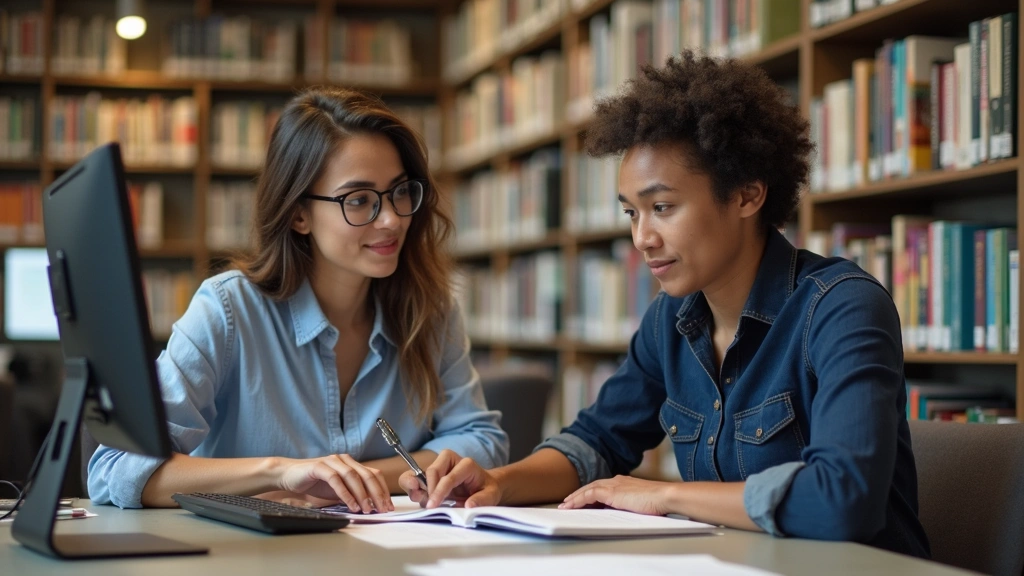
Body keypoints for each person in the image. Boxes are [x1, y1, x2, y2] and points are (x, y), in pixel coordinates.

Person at [401, 51, 931, 558]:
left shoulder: (841, 306)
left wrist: (665, 495)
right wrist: (497, 482)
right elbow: (597, 441)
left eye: (662, 207)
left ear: (747, 195)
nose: (642, 238)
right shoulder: (670, 320)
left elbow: (844, 499)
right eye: (631, 213)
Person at [88, 86, 509, 513]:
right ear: (298, 214)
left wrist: (344, 482)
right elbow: (117, 467)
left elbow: (481, 441)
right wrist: (280, 472)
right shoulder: (229, 310)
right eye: (359, 200)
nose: (391, 219)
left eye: (400, 192)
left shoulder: (430, 309)